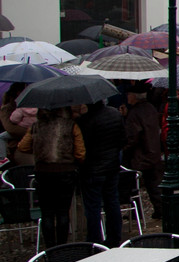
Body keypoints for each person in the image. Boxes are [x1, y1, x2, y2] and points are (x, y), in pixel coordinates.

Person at [17, 106, 84, 246]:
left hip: (43, 172)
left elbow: (23, 146)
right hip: (65, 171)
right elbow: (80, 153)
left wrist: (37, 149)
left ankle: (49, 246)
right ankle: (61, 245)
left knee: (47, 212)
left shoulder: (36, 126)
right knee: (63, 211)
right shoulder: (71, 125)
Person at [76, 98, 125, 247]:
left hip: (93, 168)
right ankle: (114, 237)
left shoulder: (84, 120)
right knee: (112, 202)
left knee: (93, 206)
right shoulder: (115, 115)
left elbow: (84, 145)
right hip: (111, 165)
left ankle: (94, 240)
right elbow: (122, 139)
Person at [123, 84, 163, 220]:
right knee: (154, 184)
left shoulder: (135, 113)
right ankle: (160, 209)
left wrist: (124, 149)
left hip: (141, 155)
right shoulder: (150, 108)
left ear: (134, 96)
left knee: (136, 186)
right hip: (153, 152)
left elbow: (132, 137)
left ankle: (137, 213)